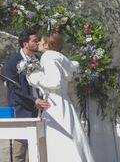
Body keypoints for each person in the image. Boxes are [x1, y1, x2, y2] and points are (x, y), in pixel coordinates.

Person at [27, 33, 95, 162]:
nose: (39, 44)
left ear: (47, 45)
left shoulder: (48, 57)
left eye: (41, 41)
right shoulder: (61, 58)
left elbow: (55, 82)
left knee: (57, 136)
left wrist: (36, 78)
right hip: (64, 101)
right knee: (70, 134)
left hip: (54, 104)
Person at [4, 28, 50, 162]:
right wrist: (34, 101)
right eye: (34, 40)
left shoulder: (40, 59)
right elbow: (14, 91)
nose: (38, 43)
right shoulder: (13, 63)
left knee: (40, 150)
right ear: (25, 44)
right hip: (22, 110)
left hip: (42, 110)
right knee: (20, 153)